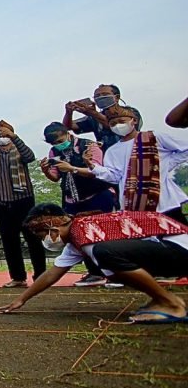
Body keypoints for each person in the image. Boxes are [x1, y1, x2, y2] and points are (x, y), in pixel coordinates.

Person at [0, 204, 188, 324]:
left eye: (42, 235)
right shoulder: (76, 236)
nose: (45, 241)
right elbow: (52, 273)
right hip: (168, 250)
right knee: (110, 265)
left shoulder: (86, 234)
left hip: (179, 249)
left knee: (106, 258)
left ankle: (171, 304)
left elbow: (114, 270)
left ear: (52, 228)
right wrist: (22, 299)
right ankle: (161, 299)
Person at [39, 121, 117, 288]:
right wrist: (46, 170)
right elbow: (55, 177)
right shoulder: (54, 151)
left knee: (103, 235)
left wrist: (72, 168)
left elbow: (97, 171)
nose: (58, 145)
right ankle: (94, 273)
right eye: (54, 144)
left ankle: (113, 272)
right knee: (79, 237)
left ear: (68, 134)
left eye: (60, 141)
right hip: (72, 199)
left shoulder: (89, 146)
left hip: (96, 196)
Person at [84, 106, 188, 224]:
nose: (118, 125)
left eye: (122, 121)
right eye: (113, 123)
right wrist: (92, 166)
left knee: (181, 235)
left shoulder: (154, 137)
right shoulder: (112, 151)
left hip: (164, 201)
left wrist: (167, 164)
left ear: (134, 120)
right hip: (135, 203)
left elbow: (185, 149)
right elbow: (115, 177)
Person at [0, 120, 44, 288]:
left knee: (33, 239)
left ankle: (41, 275)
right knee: (9, 241)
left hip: (23, 199)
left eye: (3, 133)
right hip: (0, 201)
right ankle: (18, 277)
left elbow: (30, 156)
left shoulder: (19, 150)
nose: (1, 136)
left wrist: (14, 137)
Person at [62, 84, 127, 152]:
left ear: (117, 97)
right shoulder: (93, 118)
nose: (100, 97)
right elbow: (68, 127)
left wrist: (93, 113)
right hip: (107, 157)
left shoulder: (129, 112)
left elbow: (115, 126)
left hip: (129, 154)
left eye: (105, 94)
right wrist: (68, 113)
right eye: (97, 96)